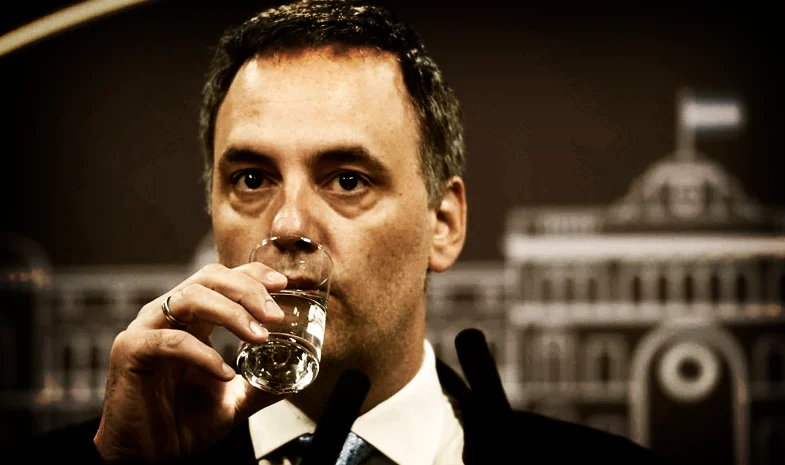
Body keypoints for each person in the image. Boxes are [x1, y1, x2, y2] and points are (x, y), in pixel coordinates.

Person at [5, 1, 672, 464]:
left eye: (347, 179)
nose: (288, 224)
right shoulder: (108, 461)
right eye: (251, 179)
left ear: (443, 223)